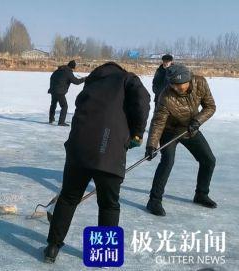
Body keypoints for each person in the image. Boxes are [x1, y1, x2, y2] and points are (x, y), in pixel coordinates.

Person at [44, 62, 150, 263]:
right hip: (108, 150)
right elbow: (143, 100)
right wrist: (137, 132)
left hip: (78, 149)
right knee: (108, 204)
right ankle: (103, 254)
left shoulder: (91, 83)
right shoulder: (127, 78)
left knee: (68, 198)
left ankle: (52, 247)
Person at [145, 64, 217, 216]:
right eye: (173, 85)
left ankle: (201, 194)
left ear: (188, 80)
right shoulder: (165, 96)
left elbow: (210, 107)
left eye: (180, 85)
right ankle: (154, 201)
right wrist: (151, 145)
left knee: (208, 160)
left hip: (190, 128)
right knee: (167, 161)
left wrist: (197, 121)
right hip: (169, 131)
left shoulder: (200, 83)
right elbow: (158, 122)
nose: (177, 88)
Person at [48, 60, 85, 126]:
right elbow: (76, 81)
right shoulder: (68, 72)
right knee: (64, 106)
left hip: (53, 90)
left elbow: (52, 78)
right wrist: (84, 79)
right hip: (60, 92)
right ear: (72, 67)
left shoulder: (58, 70)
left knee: (53, 104)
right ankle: (61, 122)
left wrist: (52, 88)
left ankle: (51, 119)